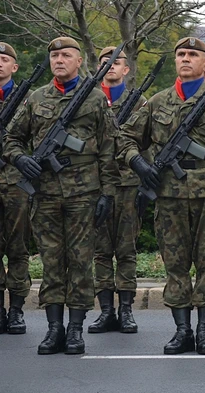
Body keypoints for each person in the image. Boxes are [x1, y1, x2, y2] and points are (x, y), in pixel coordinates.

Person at [117, 37, 205, 355]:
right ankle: (182, 331)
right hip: (170, 196)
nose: (185, 59)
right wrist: (139, 164)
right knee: (175, 265)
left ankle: (204, 330)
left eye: (193, 54)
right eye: (181, 54)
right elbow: (125, 138)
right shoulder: (157, 102)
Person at [3, 36, 119, 354]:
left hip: (84, 192)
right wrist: (20, 158)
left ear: (79, 61)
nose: (59, 60)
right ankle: (54, 329)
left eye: (66, 55)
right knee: (52, 262)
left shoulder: (95, 99)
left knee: (80, 261)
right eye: (54, 55)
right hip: (46, 192)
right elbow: (11, 137)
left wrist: (107, 193)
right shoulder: (36, 98)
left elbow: (110, 149)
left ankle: (76, 330)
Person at [89, 46, 143, 335]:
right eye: (104, 62)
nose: (110, 66)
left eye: (116, 62)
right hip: (95, 185)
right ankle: (106, 311)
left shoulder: (139, 103)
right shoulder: (87, 101)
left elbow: (148, 145)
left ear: (126, 70)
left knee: (126, 250)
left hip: (127, 185)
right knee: (100, 251)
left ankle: (126, 310)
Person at [0, 42, 31, 335]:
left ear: (14, 67)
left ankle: (17, 311)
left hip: (16, 183)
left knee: (18, 249)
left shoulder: (29, 100)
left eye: (4, 58)